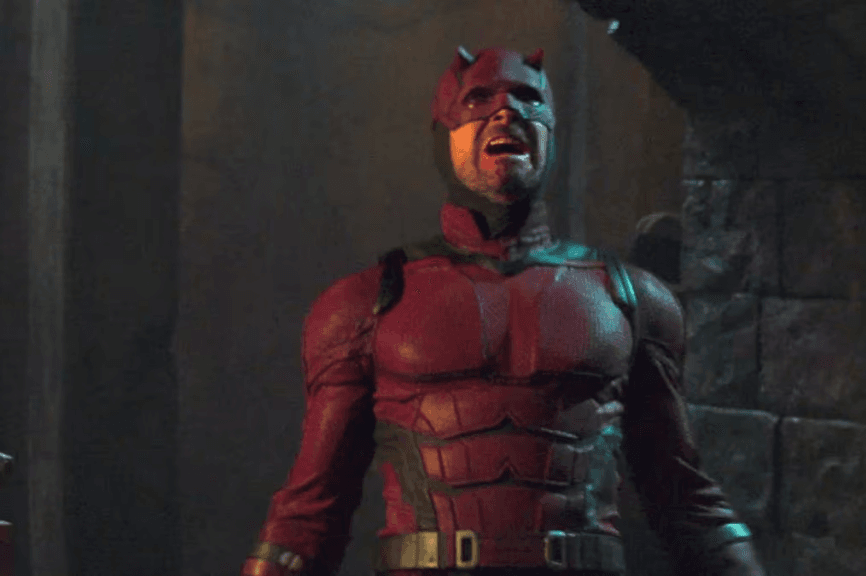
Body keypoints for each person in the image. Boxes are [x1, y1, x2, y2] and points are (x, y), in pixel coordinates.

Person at [242, 46, 765, 576]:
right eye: (479, 98)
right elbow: (308, 517)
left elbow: (686, 502)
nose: (507, 110)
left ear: (549, 134)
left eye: (527, 97)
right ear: (444, 132)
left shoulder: (632, 299)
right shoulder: (364, 306)